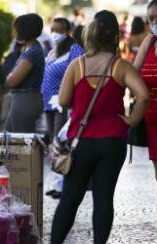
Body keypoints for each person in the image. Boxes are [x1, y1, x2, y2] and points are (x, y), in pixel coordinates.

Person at [51, 10, 149, 244]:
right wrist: (132, 120)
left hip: (81, 141)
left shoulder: (78, 65)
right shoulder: (121, 66)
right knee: (104, 199)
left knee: (70, 198)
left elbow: (63, 101)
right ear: (115, 36)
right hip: (113, 141)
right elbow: (143, 95)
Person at [41, 18, 84, 199]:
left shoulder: (74, 49)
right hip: (48, 103)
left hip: (62, 103)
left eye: (58, 30)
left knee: (61, 142)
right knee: (53, 143)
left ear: (67, 31)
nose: (54, 34)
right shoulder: (53, 50)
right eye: (52, 29)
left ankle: (62, 183)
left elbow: (79, 72)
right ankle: (56, 182)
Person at [5, 13, 45, 133]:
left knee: (21, 143)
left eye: (16, 29)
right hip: (24, 99)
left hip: (25, 101)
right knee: (9, 138)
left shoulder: (31, 53)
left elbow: (12, 81)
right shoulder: (30, 49)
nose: (14, 32)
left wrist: (9, 76)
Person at [133, 0, 157, 181]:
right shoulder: (148, 42)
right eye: (151, 19)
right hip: (152, 118)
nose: (155, 23)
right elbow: (133, 74)